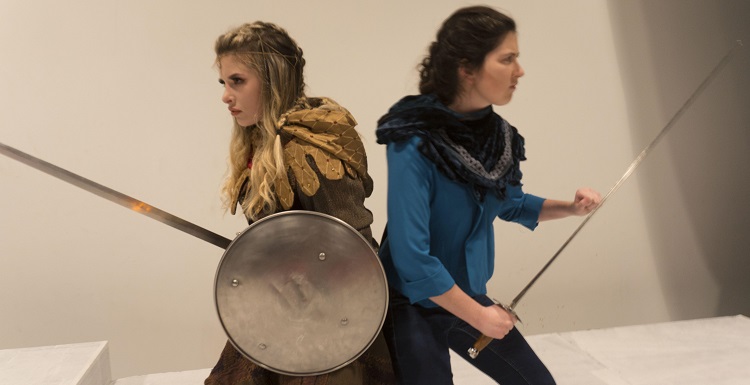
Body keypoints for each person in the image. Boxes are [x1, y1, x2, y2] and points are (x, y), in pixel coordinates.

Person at [376, 6, 601, 385]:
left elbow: (512, 204)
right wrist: (479, 316)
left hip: (464, 294)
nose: (520, 71)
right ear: (467, 69)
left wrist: (572, 208)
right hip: (411, 301)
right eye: (507, 58)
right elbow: (411, 257)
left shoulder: (500, 138)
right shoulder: (413, 137)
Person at [204, 21, 395, 385]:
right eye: (223, 83)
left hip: (331, 325)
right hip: (284, 309)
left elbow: (354, 253)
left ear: (273, 78)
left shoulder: (310, 147)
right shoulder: (264, 144)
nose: (226, 96)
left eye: (237, 81)